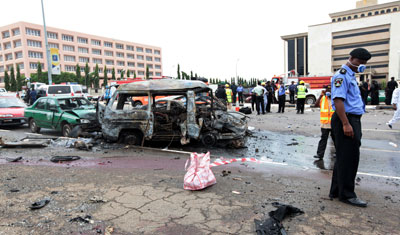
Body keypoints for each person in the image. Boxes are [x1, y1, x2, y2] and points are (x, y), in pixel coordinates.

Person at [329, 47, 371, 207]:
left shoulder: (351, 76)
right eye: (360, 62)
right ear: (351, 58)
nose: (362, 65)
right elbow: (338, 100)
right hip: (345, 119)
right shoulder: (342, 76)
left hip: (349, 119)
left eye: (364, 63)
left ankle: (336, 190)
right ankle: (347, 195)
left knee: (343, 157)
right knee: (350, 158)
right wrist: (346, 124)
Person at [313, 85, 335, 159]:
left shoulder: (335, 99)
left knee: (336, 139)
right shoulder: (323, 98)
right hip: (325, 123)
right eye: (327, 90)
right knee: (323, 139)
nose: (329, 91)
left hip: (334, 123)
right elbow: (316, 105)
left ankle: (338, 153)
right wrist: (320, 95)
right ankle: (320, 154)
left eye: (330, 90)